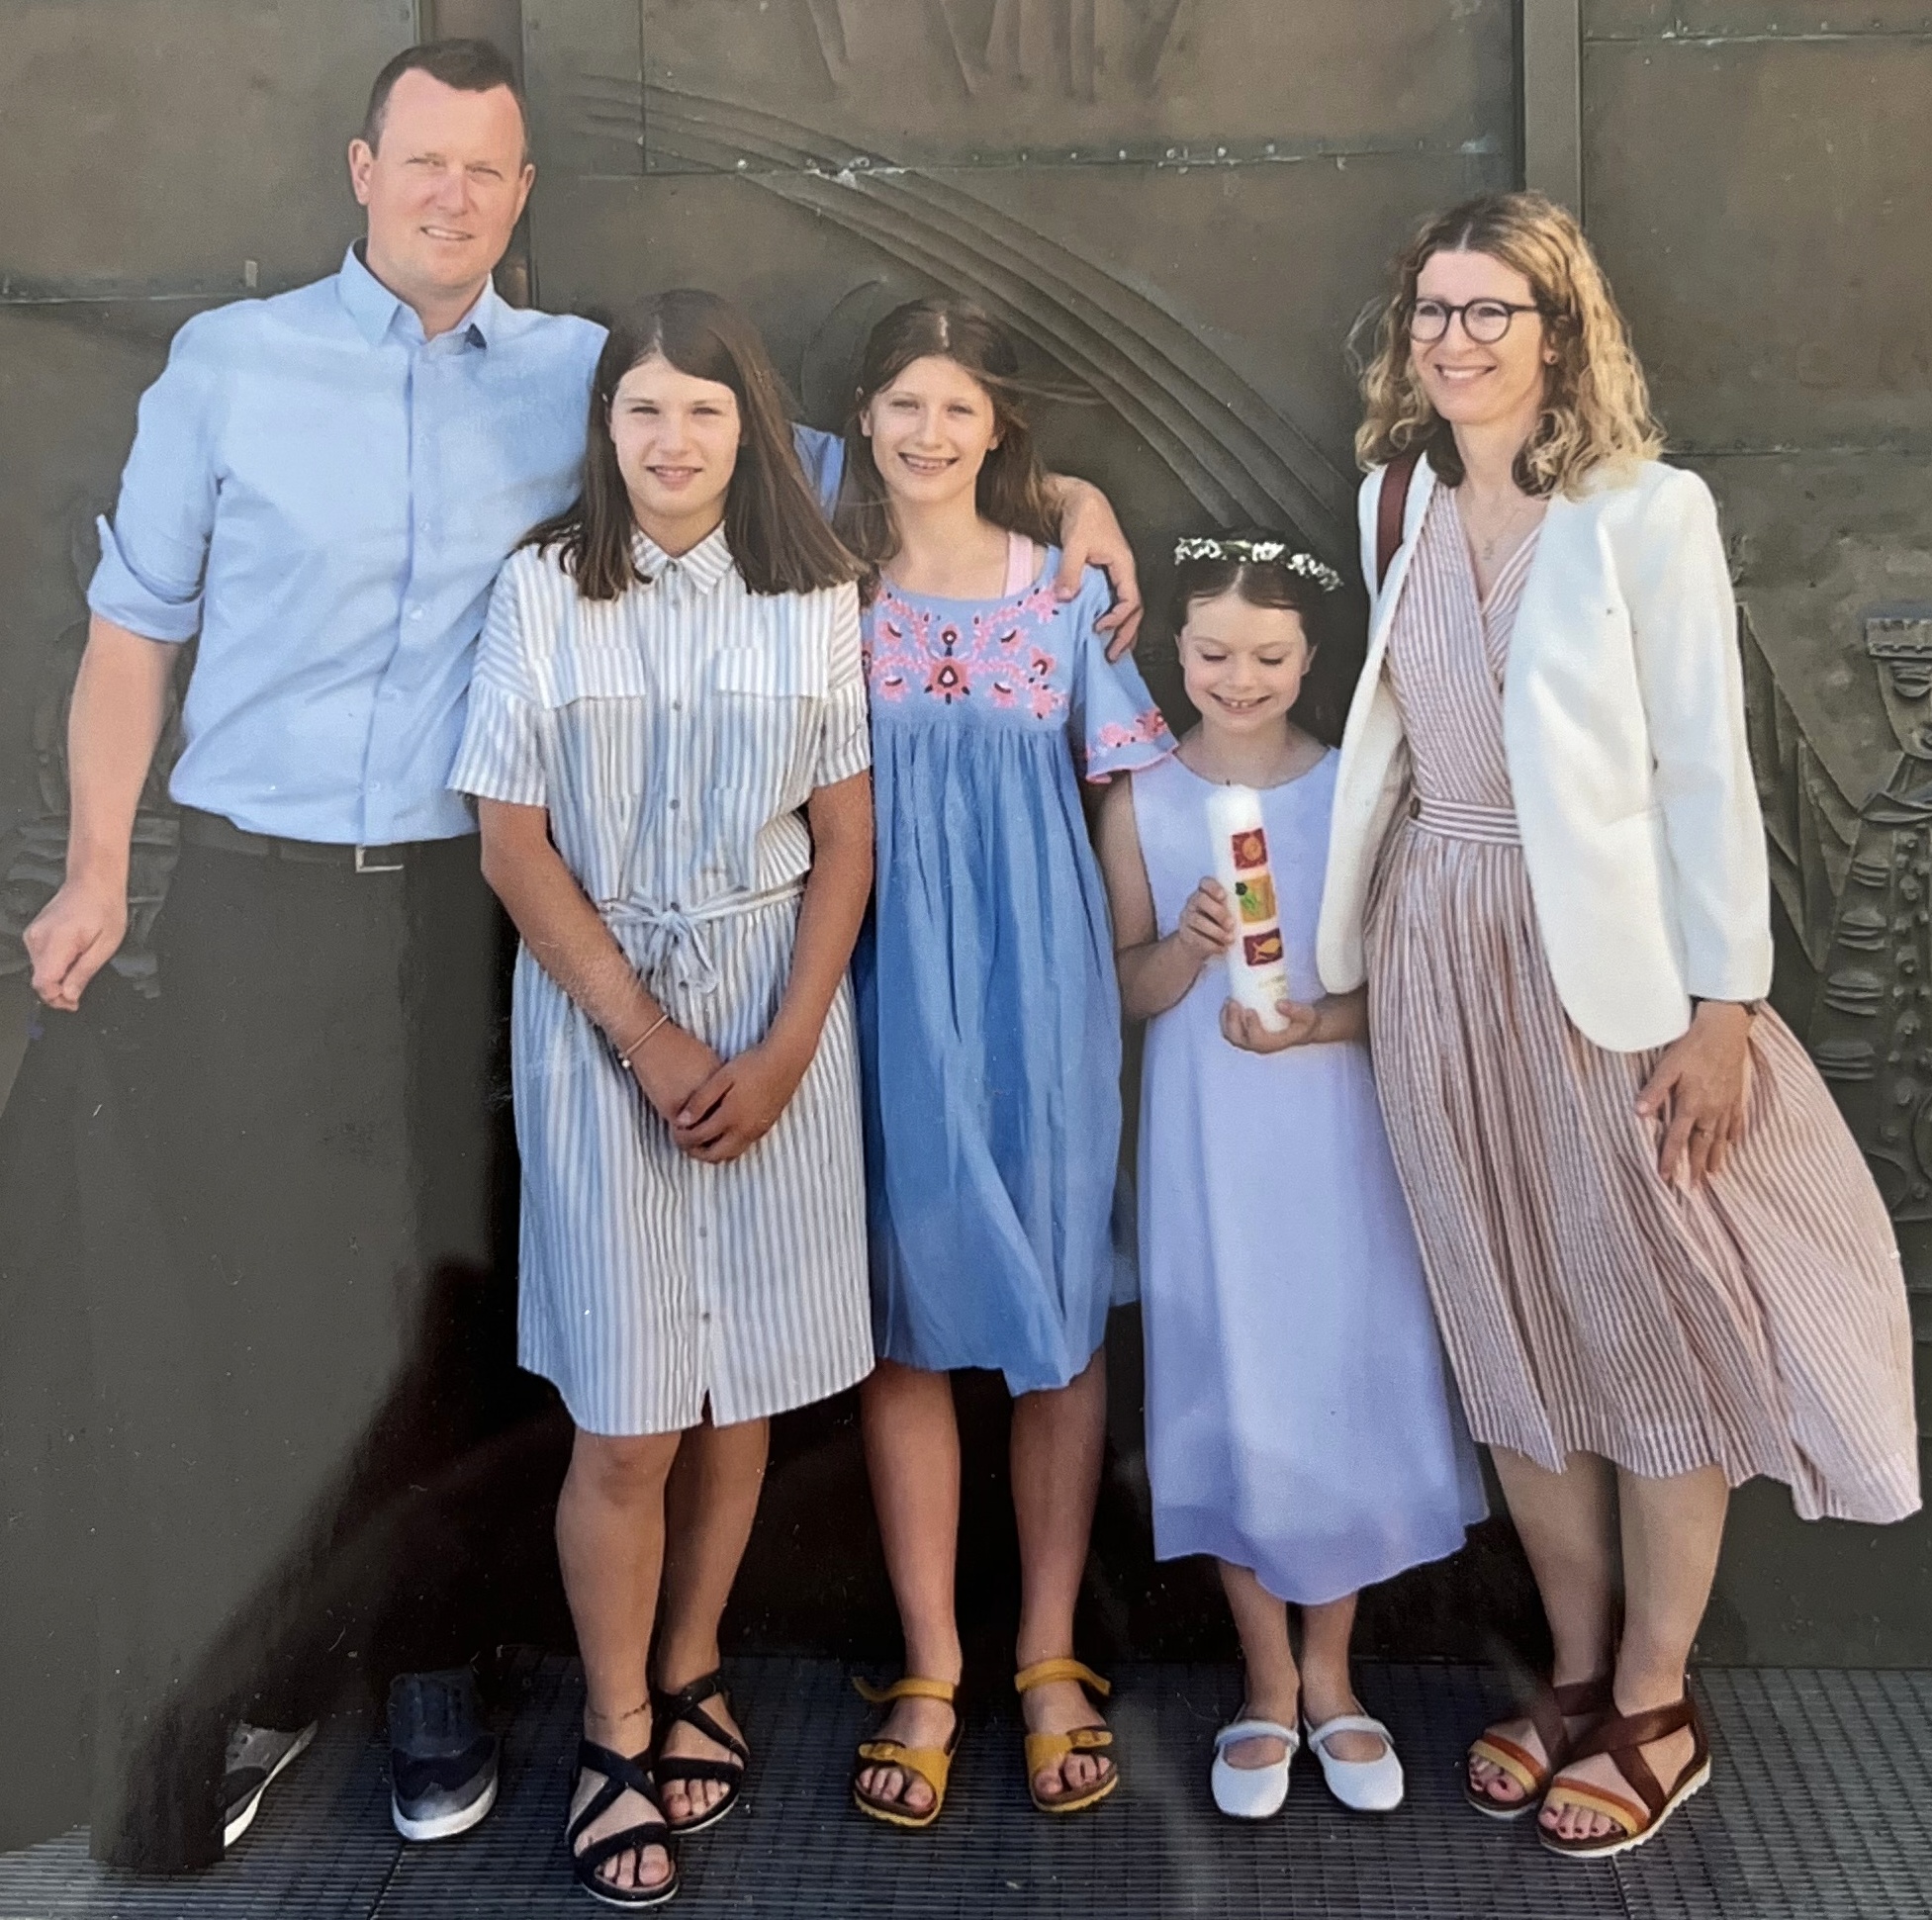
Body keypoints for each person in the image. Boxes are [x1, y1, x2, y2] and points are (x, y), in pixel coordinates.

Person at [16, 36, 1147, 1869]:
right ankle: (251, 1672)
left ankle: (436, 1668)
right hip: (267, 887)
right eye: (423, 162)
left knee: (471, 1308)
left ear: (523, 193)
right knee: (261, 1288)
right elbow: (133, 627)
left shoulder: (579, 374)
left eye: (487, 169)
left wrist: (1059, 500)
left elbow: (814, 446)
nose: (451, 195)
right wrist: (93, 871)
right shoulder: (231, 364)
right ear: (360, 168)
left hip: (476, 915)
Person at [1318, 190, 1920, 1860]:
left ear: (1558, 331)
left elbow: (1702, 771)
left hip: (1611, 977)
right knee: (1504, 1321)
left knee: (1650, 1318)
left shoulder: (1646, 513)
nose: (1453, 340)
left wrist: (1722, 1007)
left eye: (1488, 311)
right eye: (1431, 311)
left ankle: (1656, 1698)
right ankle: (1575, 1674)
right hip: (1436, 947)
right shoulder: (1392, 501)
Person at [452, 288, 873, 1908]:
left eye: (705, 409)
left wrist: (785, 1044)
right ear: (606, 424)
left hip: (774, 1017)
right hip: (602, 1021)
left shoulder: (811, 594)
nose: (673, 438)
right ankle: (616, 1725)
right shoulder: (544, 587)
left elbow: (844, 839)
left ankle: (694, 1656)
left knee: (739, 1386)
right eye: (644, 408)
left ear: (749, 429)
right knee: (628, 1417)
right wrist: (645, 1035)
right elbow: (511, 840)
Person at [833, 298, 1175, 1830]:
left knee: (1057, 1315)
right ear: (861, 415)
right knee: (902, 1320)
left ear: (997, 428)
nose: (927, 433)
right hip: (884, 980)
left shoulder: (1061, 595)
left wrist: (1125, 974)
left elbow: (1120, 793)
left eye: (957, 408)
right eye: (902, 403)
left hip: (1043, 990)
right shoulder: (824, 588)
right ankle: (930, 1661)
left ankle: (1046, 1652)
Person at [1096, 534, 1486, 1821]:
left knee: (1330, 1373)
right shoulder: (1143, 794)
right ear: (1177, 651)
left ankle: (1332, 1671)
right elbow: (1127, 986)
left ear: (1313, 656)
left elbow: (1409, 986)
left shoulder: (1354, 791)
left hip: (1334, 1129)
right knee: (1237, 1371)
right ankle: (1264, 1676)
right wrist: (1186, 947)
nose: (1239, 677)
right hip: (1210, 1137)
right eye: (1213, 652)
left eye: (1268, 656)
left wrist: (1315, 1024)